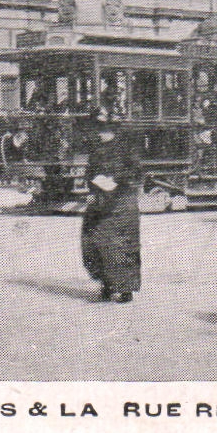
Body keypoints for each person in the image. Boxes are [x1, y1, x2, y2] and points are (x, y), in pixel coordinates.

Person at [81, 124, 142, 303]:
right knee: (95, 242)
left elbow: (135, 172)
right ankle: (107, 284)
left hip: (121, 202)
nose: (100, 135)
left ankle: (125, 289)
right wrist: (92, 190)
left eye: (103, 132)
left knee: (122, 245)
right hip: (101, 201)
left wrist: (115, 180)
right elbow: (90, 173)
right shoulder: (97, 150)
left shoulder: (127, 149)